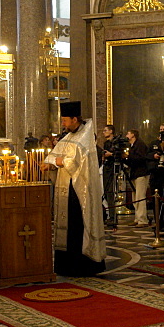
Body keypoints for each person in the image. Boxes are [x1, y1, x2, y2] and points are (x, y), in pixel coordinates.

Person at [42, 101, 105, 276]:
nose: (62, 124)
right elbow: (58, 155)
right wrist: (50, 164)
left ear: (74, 119)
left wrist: (58, 162)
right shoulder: (69, 136)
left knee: (77, 225)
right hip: (66, 187)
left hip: (79, 191)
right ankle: (65, 265)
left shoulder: (85, 136)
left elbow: (72, 162)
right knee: (66, 225)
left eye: (64, 120)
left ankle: (81, 265)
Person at [125, 129, 151, 227]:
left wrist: (128, 157)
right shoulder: (132, 146)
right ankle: (137, 218)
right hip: (135, 173)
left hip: (141, 174)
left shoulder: (140, 144)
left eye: (128, 133)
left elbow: (141, 159)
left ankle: (142, 220)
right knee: (135, 198)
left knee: (140, 197)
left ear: (133, 135)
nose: (126, 135)